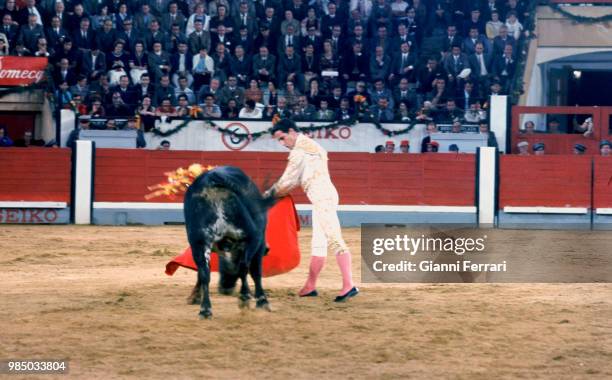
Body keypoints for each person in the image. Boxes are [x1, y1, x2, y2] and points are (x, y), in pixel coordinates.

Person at [265, 119, 358, 302]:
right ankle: (310, 286)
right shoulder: (310, 145)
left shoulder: (299, 151)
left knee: (334, 239)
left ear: (291, 131)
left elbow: (287, 182)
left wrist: (267, 195)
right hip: (323, 197)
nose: (283, 144)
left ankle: (349, 285)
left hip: (322, 198)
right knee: (319, 244)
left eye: (283, 138)